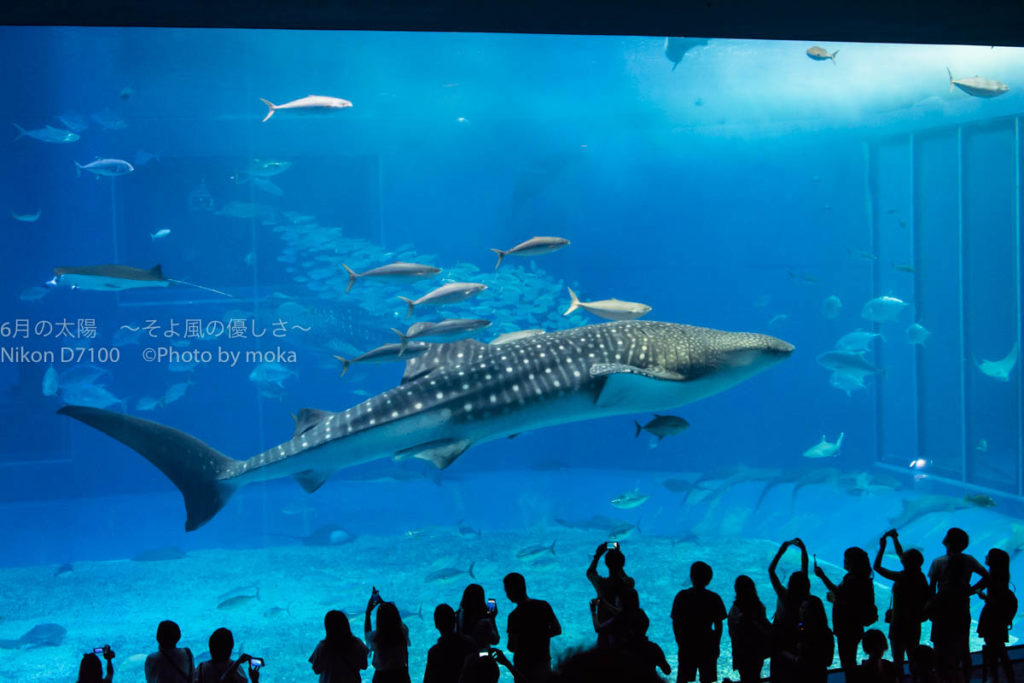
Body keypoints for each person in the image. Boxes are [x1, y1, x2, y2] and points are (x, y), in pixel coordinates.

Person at [926, 527, 987, 682]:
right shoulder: (969, 560)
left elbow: (931, 587)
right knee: (963, 647)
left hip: (942, 609)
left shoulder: (938, 562)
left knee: (940, 647)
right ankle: (965, 679)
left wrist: (930, 607)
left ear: (947, 542)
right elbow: (987, 576)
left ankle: (943, 678)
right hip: (961, 608)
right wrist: (972, 590)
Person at [814, 546, 877, 683]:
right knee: (850, 660)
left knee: (848, 663)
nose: (844, 561)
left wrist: (822, 576)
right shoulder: (864, 579)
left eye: (846, 559)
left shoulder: (852, 579)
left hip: (846, 627)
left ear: (852, 562)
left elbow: (841, 595)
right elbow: (849, 600)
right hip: (855, 625)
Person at [874, 529, 929, 681]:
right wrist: (895, 539)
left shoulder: (901, 577)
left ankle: (900, 681)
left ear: (905, 562)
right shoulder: (920, 577)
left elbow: (877, 567)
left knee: (898, 661)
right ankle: (917, 680)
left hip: (898, 624)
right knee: (914, 658)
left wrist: (882, 548)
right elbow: (902, 556)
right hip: (914, 623)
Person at [671, 561, 727, 683]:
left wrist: (679, 639)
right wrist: (716, 643)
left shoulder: (681, 596)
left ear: (691, 577)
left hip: (687, 642)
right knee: (707, 679)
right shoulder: (714, 598)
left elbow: (675, 621)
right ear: (709, 580)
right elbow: (719, 624)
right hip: (707, 644)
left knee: (683, 678)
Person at [503, 572, 561, 682]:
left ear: (511, 590)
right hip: (543, 663)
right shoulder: (543, 605)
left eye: (507, 590)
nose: (507, 595)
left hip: (523, 668)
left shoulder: (514, 616)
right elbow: (557, 629)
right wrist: (539, 636)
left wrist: (525, 639)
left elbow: (511, 647)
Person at [767, 538, 809, 683]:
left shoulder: (784, 595)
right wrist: (803, 550)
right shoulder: (805, 597)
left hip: (780, 636)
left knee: (779, 671)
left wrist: (781, 550)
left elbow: (771, 571)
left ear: (790, 583)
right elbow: (805, 569)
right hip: (798, 636)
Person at [587, 542, 639, 647]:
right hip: (626, 633)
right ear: (623, 563)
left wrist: (597, 555)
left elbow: (590, 573)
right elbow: (621, 572)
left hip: (605, 632)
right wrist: (617, 556)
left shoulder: (602, 584)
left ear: (606, 564)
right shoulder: (629, 583)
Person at [976, 548, 1016, 683]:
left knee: (997, 651)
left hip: (992, 619)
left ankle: (996, 677)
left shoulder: (991, 577)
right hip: (999, 620)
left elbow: (994, 601)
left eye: (988, 556)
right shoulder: (1002, 577)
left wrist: (983, 596)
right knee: (999, 651)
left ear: (993, 561)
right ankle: (1004, 677)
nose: (985, 557)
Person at [727, 575, 772, 683]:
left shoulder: (735, 610)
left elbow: (732, 631)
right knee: (755, 675)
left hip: (742, 651)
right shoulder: (757, 606)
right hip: (756, 650)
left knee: (746, 677)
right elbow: (764, 626)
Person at [310, 610, 369, 683]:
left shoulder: (322, 647)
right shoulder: (357, 643)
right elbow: (364, 665)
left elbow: (316, 670)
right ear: (346, 624)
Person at [424, 604, 476, 683]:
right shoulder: (469, 643)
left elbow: (428, 680)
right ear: (455, 620)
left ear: (436, 625)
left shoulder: (434, 652)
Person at [365, 596, 411, 683]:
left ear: (378, 620)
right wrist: (386, 605)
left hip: (381, 678)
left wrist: (368, 612)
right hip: (401, 676)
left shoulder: (375, 638)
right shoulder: (403, 633)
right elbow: (398, 621)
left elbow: (367, 632)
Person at [791, 592, 833, 683]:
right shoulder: (826, 632)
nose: (803, 612)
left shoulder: (803, 631)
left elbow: (828, 661)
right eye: (802, 608)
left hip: (811, 675)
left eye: (806, 609)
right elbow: (829, 662)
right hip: (817, 675)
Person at [194, 628, 259, 683]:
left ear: (211, 648)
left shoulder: (201, 668)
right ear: (231, 647)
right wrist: (255, 681)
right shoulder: (238, 670)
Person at [455, 584, 500, 651]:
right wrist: (492, 618)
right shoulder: (484, 622)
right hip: (482, 658)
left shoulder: (457, 616)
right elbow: (495, 640)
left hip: (463, 657)